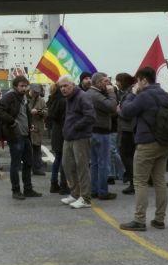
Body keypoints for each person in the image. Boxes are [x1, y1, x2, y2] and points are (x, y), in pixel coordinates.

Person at [118, 66, 168, 231]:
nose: (136, 84)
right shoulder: (166, 95)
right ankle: (159, 219)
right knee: (159, 181)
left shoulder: (144, 96)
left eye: (138, 81)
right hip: (164, 141)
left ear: (143, 80)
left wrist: (132, 93)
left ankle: (139, 220)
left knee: (140, 181)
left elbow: (126, 111)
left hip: (147, 142)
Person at [0, 76, 41, 200]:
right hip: (15, 135)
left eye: (25, 86)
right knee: (15, 164)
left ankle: (28, 189)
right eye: (21, 86)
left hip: (25, 134)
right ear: (15, 86)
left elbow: (25, 113)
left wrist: (29, 124)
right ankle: (15, 190)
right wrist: (12, 122)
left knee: (28, 162)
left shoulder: (24, 97)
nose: (24, 88)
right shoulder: (9, 96)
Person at [58, 75, 95, 209]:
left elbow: (90, 116)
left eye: (65, 86)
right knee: (67, 165)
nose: (63, 89)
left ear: (72, 85)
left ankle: (85, 198)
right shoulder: (69, 98)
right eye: (61, 87)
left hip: (80, 137)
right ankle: (75, 194)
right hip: (69, 137)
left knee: (82, 167)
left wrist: (75, 126)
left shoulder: (82, 96)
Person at [86, 73, 118, 201]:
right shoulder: (96, 95)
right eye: (105, 81)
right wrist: (111, 93)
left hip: (92, 131)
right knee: (103, 163)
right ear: (98, 82)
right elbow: (111, 106)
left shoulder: (88, 93)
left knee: (94, 163)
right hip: (101, 132)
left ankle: (94, 189)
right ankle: (103, 191)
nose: (108, 84)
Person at [115, 73, 137, 195]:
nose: (117, 83)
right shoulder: (129, 93)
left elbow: (128, 113)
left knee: (126, 156)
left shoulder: (129, 95)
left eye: (118, 81)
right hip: (128, 129)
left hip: (128, 129)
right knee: (129, 156)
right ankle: (134, 181)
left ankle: (133, 182)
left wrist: (119, 111)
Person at [46, 82, 69, 194]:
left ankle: (54, 183)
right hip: (62, 132)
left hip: (56, 131)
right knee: (64, 160)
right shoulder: (63, 101)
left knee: (58, 159)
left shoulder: (52, 100)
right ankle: (64, 185)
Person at [28, 84, 48, 175]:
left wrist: (39, 112)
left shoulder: (41, 100)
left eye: (37, 92)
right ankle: (30, 167)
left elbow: (46, 112)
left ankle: (37, 168)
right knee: (28, 149)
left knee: (37, 148)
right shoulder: (25, 99)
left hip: (37, 128)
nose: (36, 93)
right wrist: (29, 111)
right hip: (27, 127)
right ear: (31, 90)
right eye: (34, 92)